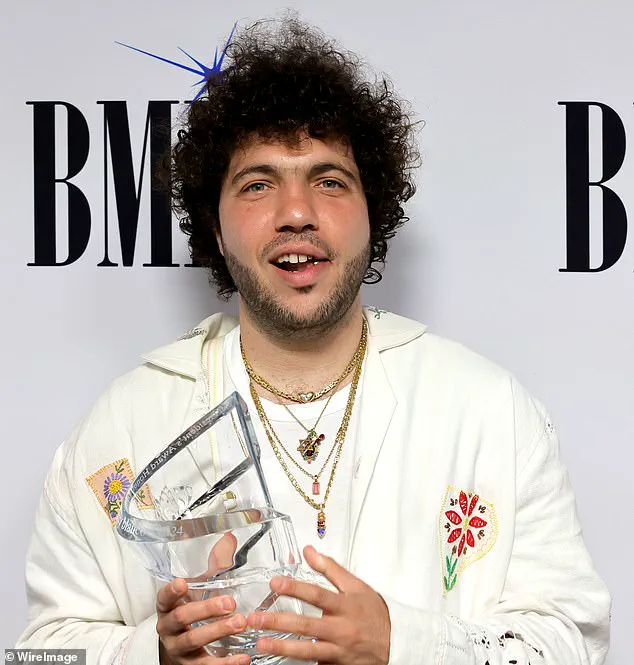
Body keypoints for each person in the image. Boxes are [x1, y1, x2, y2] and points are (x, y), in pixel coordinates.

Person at [18, 17, 610, 665]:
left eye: (329, 181)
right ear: (215, 228)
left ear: (372, 215)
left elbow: (576, 642)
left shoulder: (491, 414)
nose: (296, 212)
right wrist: (156, 654)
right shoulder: (121, 428)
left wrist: (402, 644)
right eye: (258, 185)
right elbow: (44, 651)